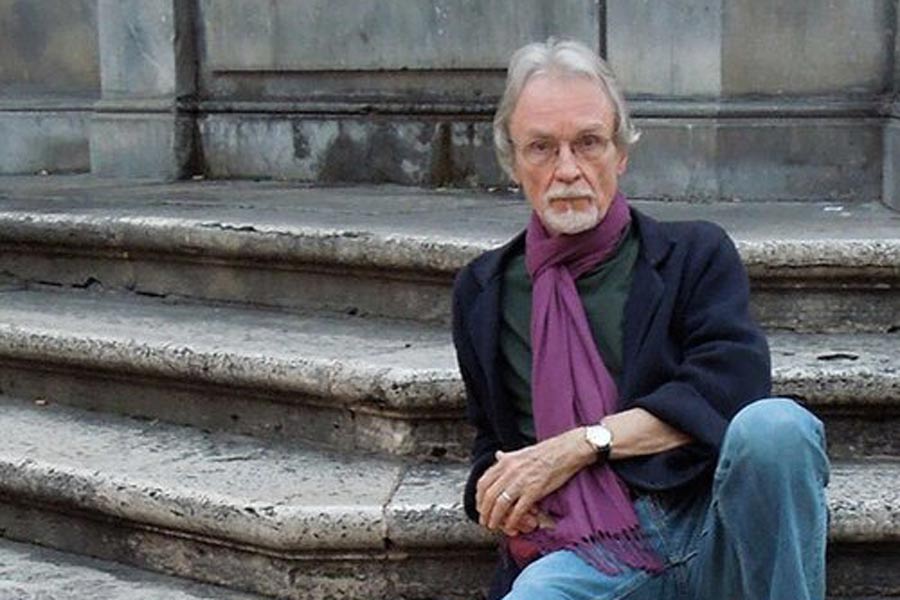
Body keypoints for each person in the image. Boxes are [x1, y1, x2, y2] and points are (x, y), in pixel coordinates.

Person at [451, 38, 830, 600]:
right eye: (541, 148)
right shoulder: (484, 292)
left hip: (709, 524)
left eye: (588, 143)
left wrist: (581, 444)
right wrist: (497, 494)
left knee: (777, 429)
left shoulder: (691, 255)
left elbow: (730, 391)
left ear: (620, 153)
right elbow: (495, 438)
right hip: (585, 554)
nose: (567, 170)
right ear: (514, 163)